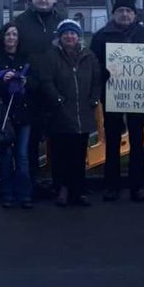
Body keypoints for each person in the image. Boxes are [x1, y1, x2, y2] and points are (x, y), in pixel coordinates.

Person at [90, 0, 144, 203]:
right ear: (114, 14)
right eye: (121, 11)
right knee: (112, 141)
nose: (125, 14)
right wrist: (103, 73)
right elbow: (93, 65)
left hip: (138, 95)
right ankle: (112, 186)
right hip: (112, 95)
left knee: (138, 141)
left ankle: (137, 186)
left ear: (135, 14)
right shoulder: (101, 37)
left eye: (129, 11)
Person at [43, 19, 101, 207]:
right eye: (66, 33)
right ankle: (62, 189)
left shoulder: (89, 55)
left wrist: (93, 99)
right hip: (60, 113)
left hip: (82, 113)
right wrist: (57, 99)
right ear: (60, 37)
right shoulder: (52, 55)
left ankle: (78, 190)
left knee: (79, 154)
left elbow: (97, 79)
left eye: (73, 33)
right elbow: (47, 80)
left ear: (78, 36)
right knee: (60, 155)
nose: (70, 36)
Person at [0, 22, 35, 208]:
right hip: (3, 114)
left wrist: (26, 81)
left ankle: (25, 194)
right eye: (8, 34)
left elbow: (38, 84)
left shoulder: (27, 59)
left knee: (22, 155)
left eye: (14, 34)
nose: (11, 38)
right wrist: (2, 82)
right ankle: (6, 193)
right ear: (2, 37)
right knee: (5, 154)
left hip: (24, 113)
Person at [15, 0, 64, 183]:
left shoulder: (62, 22)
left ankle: (60, 183)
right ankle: (31, 183)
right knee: (30, 142)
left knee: (60, 140)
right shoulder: (20, 23)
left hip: (57, 89)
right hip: (30, 91)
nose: (43, 0)